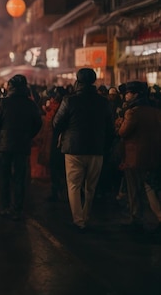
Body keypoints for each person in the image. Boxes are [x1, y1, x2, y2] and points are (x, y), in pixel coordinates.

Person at [52, 68, 114, 232]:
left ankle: (78, 220)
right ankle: (86, 216)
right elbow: (110, 128)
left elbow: (56, 123)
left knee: (73, 185)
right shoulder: (103, 102)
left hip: (73, 149)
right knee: (91, 186)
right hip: (96, 149)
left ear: (77, 82)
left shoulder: (69, 100)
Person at [0, 74, 42, 221]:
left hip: (4, 145)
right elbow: (38, 123)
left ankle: (5, 207)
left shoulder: (3, 102)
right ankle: (17, 208)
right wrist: (28, 135)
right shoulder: (30, 104)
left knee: (5, 177)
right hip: (22, 144)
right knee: (19, 177)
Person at [116, 81, 161, 232]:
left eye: (128, 92)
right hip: (153, 154)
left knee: (134, 188)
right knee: (150, 187)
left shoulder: (132, 112)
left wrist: (119, 123)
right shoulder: (155, 111)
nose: (126, 95)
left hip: (134, 156)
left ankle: (136, 218)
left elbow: (122, 132)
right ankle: (158, 215)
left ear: (135, 94)